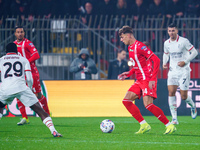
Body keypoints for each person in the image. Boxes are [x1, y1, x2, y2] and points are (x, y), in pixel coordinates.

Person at [118, 25, 176, 134]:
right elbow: (138, 65)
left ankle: (169, 125)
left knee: (148, 105)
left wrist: (153, 79)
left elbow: (156, 60)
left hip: (147, 79)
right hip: (139, 80)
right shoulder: (130, 47)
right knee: (126, 101)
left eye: (122, 37)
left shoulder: (140, 46)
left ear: (129, 35)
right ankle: (144, 125)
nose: (121, 40)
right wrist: (129, 73)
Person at [0, 43, 62, 137]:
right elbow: (29, 78)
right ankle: (53, 131)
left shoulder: (1, 60)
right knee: (40, 110)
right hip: (21, 87)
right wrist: (28, 89)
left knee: (0, 108)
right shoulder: (23, 60)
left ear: (6, 51)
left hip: (6, 88)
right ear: (16, 51)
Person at [14, 26, 50, 125]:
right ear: (15, 34)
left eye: (21, 32)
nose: (20, 34)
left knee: (38, 95)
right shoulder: (13, 45)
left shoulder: (28, 43)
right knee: (18, 94)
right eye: (18, 32)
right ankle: (25, 118)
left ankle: (47, 114)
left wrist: (26, 62)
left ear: (24, 33)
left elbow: (36, 55)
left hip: (31, 72)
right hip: (20, 74)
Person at [163, 23, 198, 124]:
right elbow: (166, 54)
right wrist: (164, 63)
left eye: (173, 30)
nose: (171, 33)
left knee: (183, 96)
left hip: (184, 71)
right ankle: (174, 119)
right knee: (171, 92)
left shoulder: (184, 41)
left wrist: (185, 61)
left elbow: (195, 52)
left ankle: (193, 106)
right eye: (169, 31)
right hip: (173, 71)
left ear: (177, 31)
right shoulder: (166, 43)